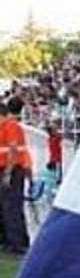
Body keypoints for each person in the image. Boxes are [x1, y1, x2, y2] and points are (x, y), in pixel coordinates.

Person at [0, 98, 32, 256]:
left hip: (12, 170)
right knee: (6, 207)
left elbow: (12, 149)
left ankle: (17, 243)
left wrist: (8, 172)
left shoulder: (10, 126)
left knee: (11, 207)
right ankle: (8, 241)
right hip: (8, 169)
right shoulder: (5, 126)